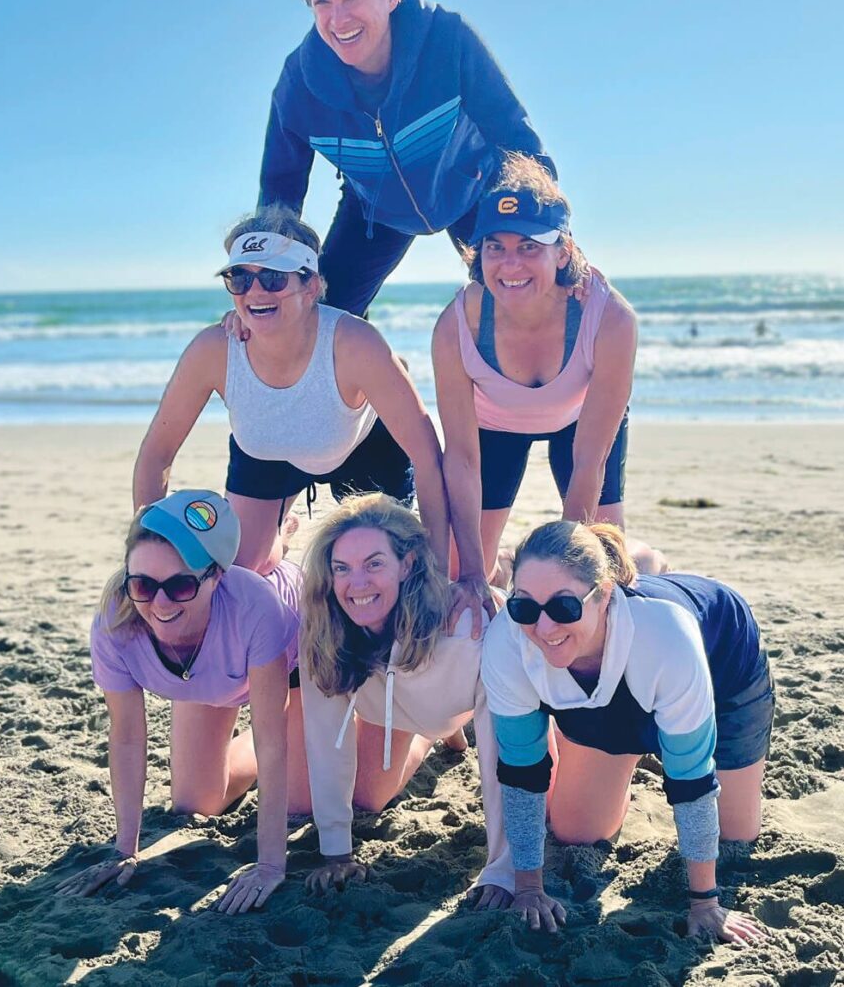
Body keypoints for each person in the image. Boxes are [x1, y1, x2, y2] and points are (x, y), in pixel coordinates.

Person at [481, 519, 773, 942]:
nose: (544, 629)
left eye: (564, 607)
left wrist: (705, 902)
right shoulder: (507, 642)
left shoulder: (666, 635)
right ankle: (624, 757)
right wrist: (528, 888)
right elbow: (521, 773)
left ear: (604, 595)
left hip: (723, 669)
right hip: (608, 692)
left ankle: (649, 562)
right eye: (525, 606)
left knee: (735, 836)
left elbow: (691, 778)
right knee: (575, 831)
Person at [133, 205, 451, 578]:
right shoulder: (213, 350)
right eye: (240, 278)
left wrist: (440, 570)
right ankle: (280, 538)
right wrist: (143, 553)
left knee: (384, 571)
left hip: (362, 448)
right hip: (269, 451)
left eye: (272, 278)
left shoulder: (355, 344)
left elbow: (428, 455)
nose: (254, 291)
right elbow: (157, 452)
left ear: (311, 285)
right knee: (241, 570)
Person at [258, 0, 556, 316]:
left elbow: (516, 140)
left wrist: (553, 236)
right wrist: (263, 280)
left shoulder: (448, 40)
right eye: (322, 2)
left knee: (530, 302)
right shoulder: (299, 84)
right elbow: (279, 193)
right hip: (375, 211)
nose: (338, 18)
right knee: (320, 321)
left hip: (473, 189)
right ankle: (381, 376)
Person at [56, 490, 305, 915]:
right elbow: (128, 738)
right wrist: (124, 849)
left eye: (181, 584)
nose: (160, 603)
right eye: (142, 584)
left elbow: (271, 741)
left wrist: (269, 864)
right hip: (210, 679)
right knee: (198, 801)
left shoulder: (255, 604)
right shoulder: (115, 623)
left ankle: (442, 719)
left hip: (297, 664)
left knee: (313, 804)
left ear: (216, 577)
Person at [433, 153, 658, 607]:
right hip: (494, 427)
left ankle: (652, 560)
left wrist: (566, 568)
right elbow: (459, 456)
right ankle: (502, 568)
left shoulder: (610, 319)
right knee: (460, 573)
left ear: (564, 251)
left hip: (579, 424)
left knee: (606, 566)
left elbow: (590, 460)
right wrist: (474, 576)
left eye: (529, 247)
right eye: (495, 247)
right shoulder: (457, 324)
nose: (509, 264)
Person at [298, 492, 514, 903]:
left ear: (408, 563)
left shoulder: (466, 631)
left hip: (475, 703)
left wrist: (504, 867)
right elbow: (326, 736)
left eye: (374, 564)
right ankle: (438, 733)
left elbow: (500, 752)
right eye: (341, 568)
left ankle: (507, 565)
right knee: (366, 798)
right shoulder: (323, 625)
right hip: (400, 710)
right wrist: (336, 853)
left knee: (569, 823)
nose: (356, 584)